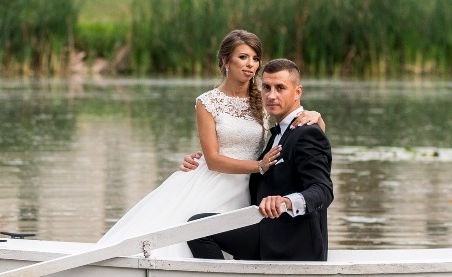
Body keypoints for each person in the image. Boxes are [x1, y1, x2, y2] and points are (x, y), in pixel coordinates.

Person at [99, 31, 323, 258]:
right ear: (226, 61)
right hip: (217, 181)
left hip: (251, 187)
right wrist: (259, 166)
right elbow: (214, 158)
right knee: (191, 232)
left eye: (255, 59)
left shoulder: (264, 97)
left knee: (235, 237)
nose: (251, 65)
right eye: (243, 57)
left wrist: (316, 116)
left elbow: (293, 125)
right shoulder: (207, 102)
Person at [187, 58, 333, 263]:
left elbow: (323, 190)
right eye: (266, 87)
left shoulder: (307, 133)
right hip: (269, 231)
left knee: (196, 228)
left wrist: (287, 201)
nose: (271, 95)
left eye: (280, 88)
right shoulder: (278, 133)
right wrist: (201, 159)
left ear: (297, 92)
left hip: (291, 240)